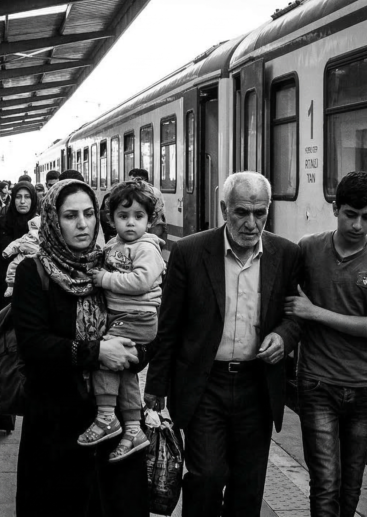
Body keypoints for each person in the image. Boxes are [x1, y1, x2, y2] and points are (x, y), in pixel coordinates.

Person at [145, 171, 303, 517]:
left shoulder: (285, 254)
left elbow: (294, 314)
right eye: (241, 212)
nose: (251, 223)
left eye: (259, 213)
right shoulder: (190, 252)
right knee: (206, 475)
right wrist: (155, 388)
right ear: (223, 208)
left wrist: (284, 336)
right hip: (205, 385)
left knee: (248, 486)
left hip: (256, 386)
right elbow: (168, 325)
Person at [10, 179, 149, 517]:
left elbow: (143, 326)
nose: (83, 223)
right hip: (55, 423)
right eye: (70, 215)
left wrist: (136, 352)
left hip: (113, 422)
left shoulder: (114, 266)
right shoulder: (34, 271)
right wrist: (98, 352)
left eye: (88, 213)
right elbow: (33, 345)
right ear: (54, 220)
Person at [284, 171, 367, 517]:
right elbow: (289, 303)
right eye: (351, 214)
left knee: (350, 488)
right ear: (335, 208)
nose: (358, 225)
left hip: (365, 387)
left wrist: (313, 312)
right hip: (317, 382)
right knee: (325, 485)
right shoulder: (308, 248)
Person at [81, 181, 165, 462]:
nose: (131, 223)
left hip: (137, 316)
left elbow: (141, 281)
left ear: (149, 220)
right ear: (111, 218)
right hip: (124, 315)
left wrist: (105, 279)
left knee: (105, 355)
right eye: (123, 216)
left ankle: (106, 417)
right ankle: (132, 428)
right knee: (125, 370)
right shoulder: (115, 245)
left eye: (138, 217)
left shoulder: (147, 248)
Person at [0, 181, 39, 320]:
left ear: (33, 200)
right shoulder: (1, 223)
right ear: (13, 198)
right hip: (2, 288)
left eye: (27, 197)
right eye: (18, 196)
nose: (22, 201)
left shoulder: (41, 225)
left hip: (32, 289)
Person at [128, 168, 166, 239]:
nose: (131, 182)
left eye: (133, 179)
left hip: (147, 227)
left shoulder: (141, 192)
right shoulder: (156, 191)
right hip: (157, 225)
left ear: (142, 179)